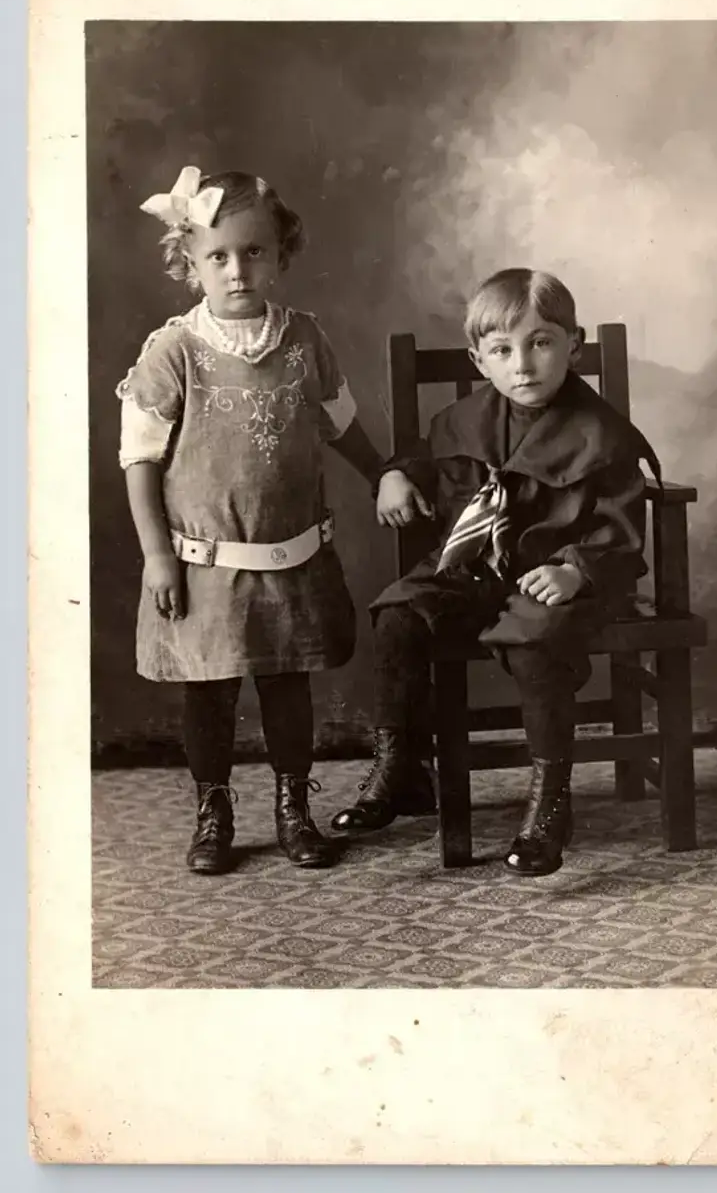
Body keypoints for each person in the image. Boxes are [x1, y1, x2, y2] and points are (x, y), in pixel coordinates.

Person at [331, 268, 662, 877]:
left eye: (541, 343)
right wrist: (396, 474)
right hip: (475, 573)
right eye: (502, 350)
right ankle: (401, 764)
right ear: (478, 359)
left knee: (534, 640)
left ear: (574, 347)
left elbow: (619, 528)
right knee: (399, 614)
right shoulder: (460, 420)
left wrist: (576, 570)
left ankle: (549, 804)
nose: (523, 366)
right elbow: (427, 462)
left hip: (557, 584)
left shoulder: (602, 434)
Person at [117, 166, 384, 875]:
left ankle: (294, 805)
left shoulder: (302, 340)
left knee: (286, 685)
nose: (237, 270)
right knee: (208, 692)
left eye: (254, 252)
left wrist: (383, 470)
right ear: (189, 262)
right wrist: (156, 556)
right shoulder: (173, 351)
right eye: (218, 257)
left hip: (289, 558)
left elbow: (341, 423)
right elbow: (139, 460)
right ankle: (214, 810)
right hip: (204, 565)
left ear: (279, 252)